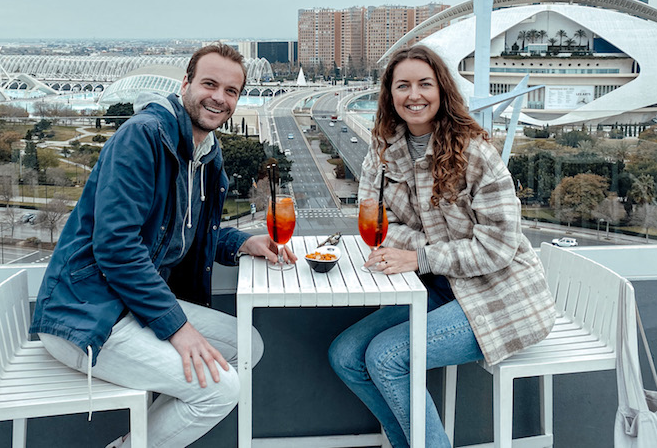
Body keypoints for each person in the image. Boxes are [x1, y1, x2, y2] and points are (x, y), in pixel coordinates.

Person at [30, 43, 296, 448]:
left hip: (131, 305)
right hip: (87, 314)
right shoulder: (143, 137)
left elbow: (185, 233)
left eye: (231, 91)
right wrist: (178, 328)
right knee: (220, 389)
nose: (219, 98)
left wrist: (244, 242)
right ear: (185, 83)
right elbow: (117, 249)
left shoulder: (205, 152)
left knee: (248, 346)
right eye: (209, 84)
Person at [328, 45, 556, 448]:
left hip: (498, 294)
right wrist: (429, 252)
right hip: (435, 287)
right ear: (390, 95)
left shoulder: (477, 155)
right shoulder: (381, 154)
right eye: (403, 86)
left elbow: (497, 248)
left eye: (424, 84)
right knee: (346, 355)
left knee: (385, 357)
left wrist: (420, 255)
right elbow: (375, 223)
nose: (414, 95)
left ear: (442, 90)